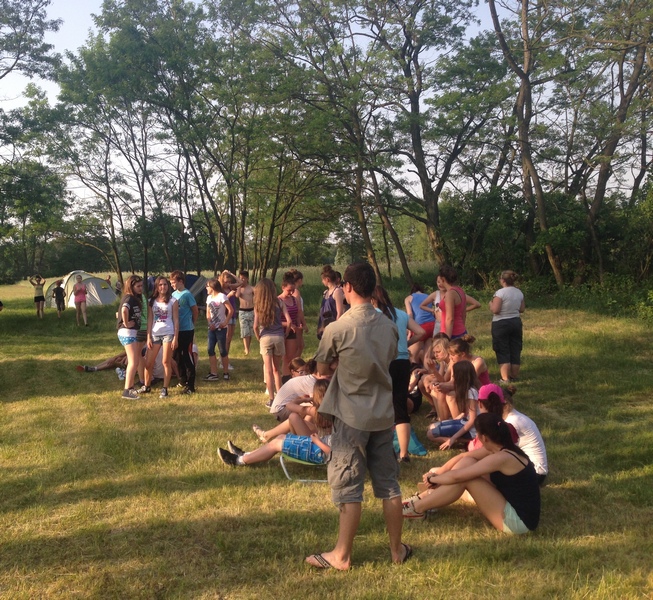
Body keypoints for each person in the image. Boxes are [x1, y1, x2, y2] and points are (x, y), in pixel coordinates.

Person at [306, 261, 411, 571]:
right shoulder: (389, 325)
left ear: (348, 287)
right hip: (383, 413)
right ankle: (396, 550)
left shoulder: (337, 328)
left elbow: (322, 369)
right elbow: (388, 358)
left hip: (351, 416)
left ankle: (341, 555)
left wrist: (341, 363)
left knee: (349, 486)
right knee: (389, 485)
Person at [402, 413, 541, 535]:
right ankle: (424, 499)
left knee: (467, 479)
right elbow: (465, 457)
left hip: (519, 522)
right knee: (468, 461)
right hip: (510, 504)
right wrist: (440, 473)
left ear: (484, 438)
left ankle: (417, 508)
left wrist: (434, 479)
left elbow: (458, 476)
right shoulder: (502, 447)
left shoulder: (501, 458)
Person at [219, 379, 332, 467]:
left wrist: (305, 400)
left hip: (318, 448)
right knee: (284, 432)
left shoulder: (316, 411)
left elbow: (289, 405)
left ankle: (238, 460)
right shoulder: (332, 410)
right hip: (320, 441)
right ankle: (245, 455)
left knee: (277, 441)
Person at [371, 285, 425, 463]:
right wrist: (406, 344)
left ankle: (382, 448)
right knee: (399, 405)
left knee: (379, 404)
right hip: (402, 362)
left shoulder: (373, 314)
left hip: (383, 362)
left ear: (372, 299)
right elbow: (421, 332)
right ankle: (404, 453)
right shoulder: (400, 314)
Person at [254, 278, 291, 407]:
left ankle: (271, 399)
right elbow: (289, 321)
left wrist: (258, 337)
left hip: (265, 337)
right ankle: (280, 398)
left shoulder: (259, 305)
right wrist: (285, 334)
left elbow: (255, 326)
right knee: (277, 370)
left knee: (268, 370)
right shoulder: (280, 302)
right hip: (279, 336)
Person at [427, 360, 480, 449]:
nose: (453, 377)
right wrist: (453, 421)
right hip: (464, 421)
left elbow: (472, 420)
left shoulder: (471, 392)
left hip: (472, 429)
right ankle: (459, 439)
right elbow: (465, 413)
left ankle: (468, 440)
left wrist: (453, 437)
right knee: (431, 426)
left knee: (431, 434)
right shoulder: (466, 390)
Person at [141, 276, 179, 399]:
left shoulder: (173, 301)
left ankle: (165, 388)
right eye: (160, 285)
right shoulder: (151, 301)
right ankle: (146, 386)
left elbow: (176, 320)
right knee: (148, 363)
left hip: (168, 333)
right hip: (154, 334)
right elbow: (150, 320)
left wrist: (175, 337)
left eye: (165, 284)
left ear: (168, 286)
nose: (163, 287)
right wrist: (148, 337)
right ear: (157, 287)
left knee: (165, 362)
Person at [490, 270, 525, 382]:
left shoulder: (500, 293)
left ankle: (505, 378)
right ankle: (514, 376)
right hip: (515, 322)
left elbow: (496, 310)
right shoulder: (519, 292)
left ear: (503, 280)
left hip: (501, 323)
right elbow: (522, 309)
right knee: (515, 348)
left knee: (502, 349)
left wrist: (491, 304)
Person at [170, 270, 198, 395]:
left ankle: (191, 386)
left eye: (173, 282)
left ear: (180, 281)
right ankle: (182, 379)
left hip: (187, 329)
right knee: (177, 355)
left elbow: (195, 310)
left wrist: (192, 323)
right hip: (177, 330)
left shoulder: (187, 294)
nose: (172, 285)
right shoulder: (173, 294)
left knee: (187, 356)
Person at [117, 275, 145, 399]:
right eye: (138, 286)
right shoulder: (129, 298)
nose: (140, 288)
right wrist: (126, 323)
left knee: (135, 360)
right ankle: (127, 390)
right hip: (127, 332)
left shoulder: (134, 298)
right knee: (133, 362)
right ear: (131, 286)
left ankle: (131, 387)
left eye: (141, 286)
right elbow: (124, 310)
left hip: (130, 333)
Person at [436, 266, 480, 339]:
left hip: (451, 334)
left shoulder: (450, 294)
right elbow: (463, 313)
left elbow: (450, 319)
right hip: (461, 331)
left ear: (443, 279)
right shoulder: (460, 290)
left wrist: (447, 338)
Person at [205, 277, 234, 381]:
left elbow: (231, 310)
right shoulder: (209, 298)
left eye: (207, 286)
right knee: (210, 349)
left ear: (212, 287)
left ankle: (226, 372)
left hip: (221, 328)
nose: (206, 288)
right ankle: (214, 373)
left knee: (222, 350)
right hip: (212, 328)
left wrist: (225, 322)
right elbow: (208, 313)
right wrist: (210, 323)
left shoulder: (222, 296)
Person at [279, 272, 304, 384]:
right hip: (280, 331)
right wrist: (288, 324)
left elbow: (298, 314)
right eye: (289, 290)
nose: (291, 293)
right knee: (283, 357)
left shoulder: (295, 300)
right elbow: (274, 321)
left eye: (293, 290)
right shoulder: (278, 300)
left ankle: (289, 378)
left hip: (292, 331)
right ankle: (284, 378)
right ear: (283, 287)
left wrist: (299, 324)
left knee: (290, 357)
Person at [316, 264, 346, 340]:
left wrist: (336, 327)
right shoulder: (326, 292)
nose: (322, 281)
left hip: (332, 323)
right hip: (324, 323)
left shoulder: (337, 291)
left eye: (323, 279)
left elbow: (340, 312)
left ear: (327, 279)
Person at [289, 269, 308, 356]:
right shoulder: (296, 292)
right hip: (297, 321)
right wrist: (303, 323)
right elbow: (299, 309)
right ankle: (294, 362)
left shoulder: (291, 290)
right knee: (299, 345)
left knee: (298, 345)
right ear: (299, 280)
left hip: (293, 320)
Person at [235, 270, 255, 355]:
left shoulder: (251, 288)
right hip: (242, 311)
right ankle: (246, 349)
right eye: (240, 278)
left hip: (251, 310)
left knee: (250, 331)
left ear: (247, 278)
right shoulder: (239, 289)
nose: (242, 280)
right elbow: (237, 296)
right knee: (244, 331)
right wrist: (239, 286)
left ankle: (248, 347)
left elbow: (257, 294)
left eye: (243, 278)